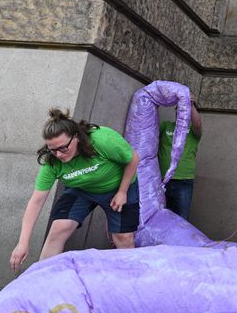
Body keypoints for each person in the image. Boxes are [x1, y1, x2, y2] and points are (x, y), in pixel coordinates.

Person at [9, 108, 141, 272]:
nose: (59, 154)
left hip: (118, 187)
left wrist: (122, 191)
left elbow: (133, 159)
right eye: (52, 149)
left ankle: (129, 280)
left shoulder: (102, 140)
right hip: (81, 190)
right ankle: (44, 280)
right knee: (59, 229)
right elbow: (36, 201)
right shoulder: (52, 163)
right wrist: (23, 242)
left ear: (76, 137)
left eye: (63, 148)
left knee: (123, 238)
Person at [158, 101, 203, 219]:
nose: (180, 110)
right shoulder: (165, 125)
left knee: (181, 219)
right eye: (178, 108)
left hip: (183, 181)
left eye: (184, 108)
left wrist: (191, 104)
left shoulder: (194, 130)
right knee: (160, 217)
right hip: (161, 180)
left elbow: (198, 125)